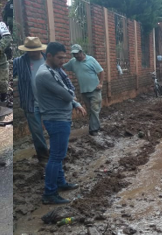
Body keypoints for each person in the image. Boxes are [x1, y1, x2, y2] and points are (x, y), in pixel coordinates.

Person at [34, 42, 86, 205]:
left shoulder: (55, 70)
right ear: (48, 55)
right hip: (56, 119)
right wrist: (73, 100)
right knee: (56, 157)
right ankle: (49, 193)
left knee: (58, 155)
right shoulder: (45, 74)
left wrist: (75, 103)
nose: (63, 61)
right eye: (59, 58)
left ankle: (61, 183)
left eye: (64, 57)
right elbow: (65, 94)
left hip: (60, 117)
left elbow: (67, 93)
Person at [12, 36, 49, 161]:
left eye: (34, 50)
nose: (32, 53)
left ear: (40, 49)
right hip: (30, 103)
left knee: (54, 128)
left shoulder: (48, 60)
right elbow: (8, 75)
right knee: (37, 132)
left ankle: (57, 153)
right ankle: (43, 157)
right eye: (29, 50)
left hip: (49, 102)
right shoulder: (19, 62)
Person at [63, 44, 104, 135]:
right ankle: (96, 126)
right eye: (74, 54)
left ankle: (93, 130)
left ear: (81, 52)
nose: (76, 56)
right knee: (90, 110)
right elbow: (63, 67)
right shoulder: (73, 62)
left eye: (77, 54)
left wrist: (100, 83)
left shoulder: (91, 60)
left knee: (94, 109)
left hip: (95, 89)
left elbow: (101, 71)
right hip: (84, 91)